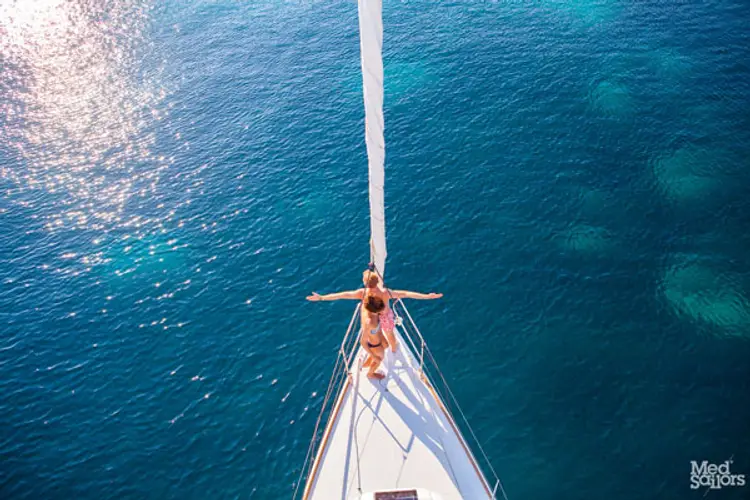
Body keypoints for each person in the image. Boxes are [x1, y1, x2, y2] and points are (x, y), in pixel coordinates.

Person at [306, 268, 443, 352]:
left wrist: (322, 298)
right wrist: (427, 296)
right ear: (377, 282)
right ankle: (393, 349)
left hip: (373, 319)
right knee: (390, 335)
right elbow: (406, 294)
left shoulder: (362, 293)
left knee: (376, 336)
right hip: (386, 317)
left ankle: (380, 352)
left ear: (365, 283)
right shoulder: (385, 292)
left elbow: (342, 295)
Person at [360, 294, 388, 380]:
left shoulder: (368, 307)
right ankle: (370, 374)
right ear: (374, 311)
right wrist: (373, 356)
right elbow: (362, 342)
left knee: (386, 345)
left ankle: (366, 363)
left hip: (379, 338)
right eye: (380, 310)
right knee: (379, 360)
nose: (382, 310)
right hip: (375, 346)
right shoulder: (369, 323)